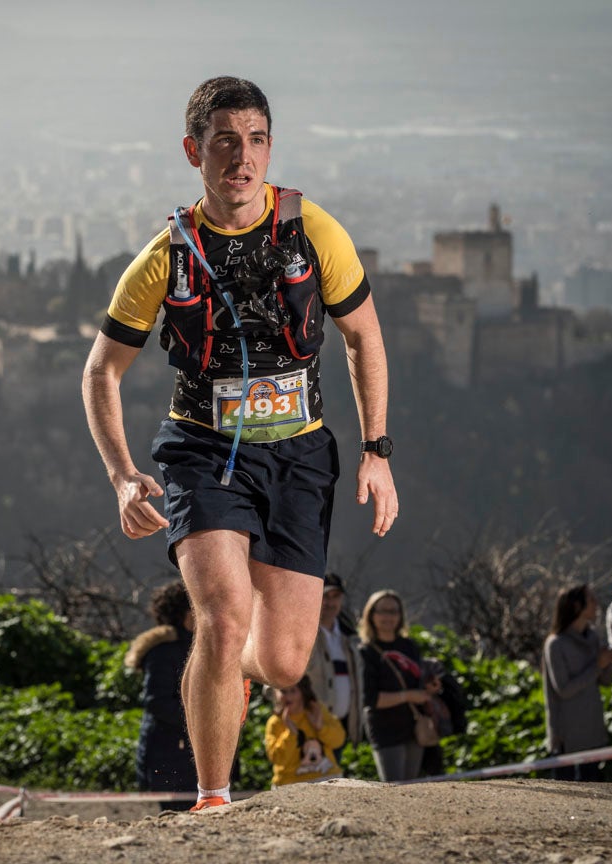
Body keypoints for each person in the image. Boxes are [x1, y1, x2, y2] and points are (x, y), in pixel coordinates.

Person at [82, 76, 398, 811]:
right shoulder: (166, 255)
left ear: (270, 148)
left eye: (255, 140)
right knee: (222, 623)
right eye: (225, 141)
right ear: (194, 151)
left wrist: (377, 452)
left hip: (299, 455)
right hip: (203, 452)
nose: (242, 157)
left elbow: (363, 336)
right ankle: (213, 797)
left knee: (284, 664)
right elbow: (101, 370)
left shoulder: (312, 231)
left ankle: (230, 669)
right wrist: (123, 475)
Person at [124, 580, 197, 804]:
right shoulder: (163, 651)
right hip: (170, 756)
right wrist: (201, 722)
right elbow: (157, 702)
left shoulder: (197, 646)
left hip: (187, 755)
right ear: (187, 611)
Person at [357, 590, 439, 782]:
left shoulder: (409, 646)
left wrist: (429, 687)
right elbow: (370, 699)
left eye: (393, 611)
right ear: (371, 615)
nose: (388, 617)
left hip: (414, 726)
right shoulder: (365, 652)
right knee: (394, 789)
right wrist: (408, 696)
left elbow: (418, 680)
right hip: (385, 730)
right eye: (382, 611)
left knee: (411, 787)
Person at [542, 584, 612, 781]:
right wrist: (598, 666)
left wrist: (611, 663)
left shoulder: (592, 637)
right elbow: (564, 690)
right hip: (568, 735)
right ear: (577, 606)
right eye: (591, 600)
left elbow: (603, 681)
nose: (596, 604)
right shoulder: (556, 644)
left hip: (591, 729)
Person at [303, 573, 363, 760]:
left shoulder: (350, 638)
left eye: (335, 596)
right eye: (325, 595)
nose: (330, 602)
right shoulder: (302, 632)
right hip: (308, 730)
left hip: (340, 729)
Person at [263, 674, 345, 787]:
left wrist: (320, 727)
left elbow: (338, 741)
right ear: (275, 694)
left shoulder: (317, 711)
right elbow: (277, 758)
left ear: (303, 691)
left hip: (326, 776)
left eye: (293, 690)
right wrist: (291, 734)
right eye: (283, 691)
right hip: (290, 782)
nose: (288, 696)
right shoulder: (275, 723)